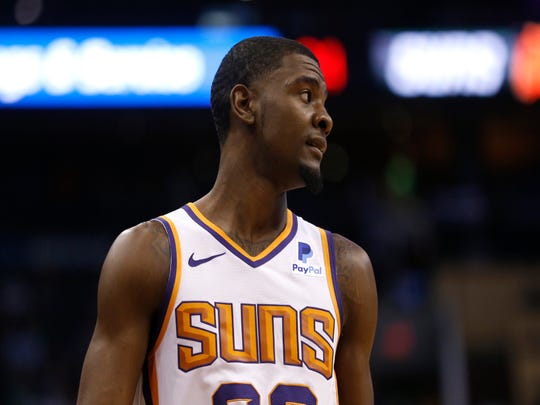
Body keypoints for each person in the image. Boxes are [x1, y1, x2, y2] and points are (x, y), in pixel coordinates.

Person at [76, 35, 378, 405]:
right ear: (244, 103)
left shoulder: (346, 268)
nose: (325, 118)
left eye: (324, 103)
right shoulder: (150, 253)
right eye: (304, 95)